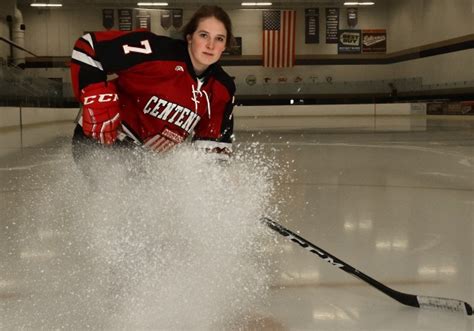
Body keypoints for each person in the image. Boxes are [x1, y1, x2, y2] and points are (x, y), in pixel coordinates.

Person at [70, 5, 235, 163]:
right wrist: (95, 94)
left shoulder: (222, 89)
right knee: (114, 190)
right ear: (189, 37)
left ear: (225, 46)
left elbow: (211, 149)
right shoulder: (156, 51)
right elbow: (89, 46)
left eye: (219, 39)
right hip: (102, 139)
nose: (210, 45)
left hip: (145, 159)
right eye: (203, 35)